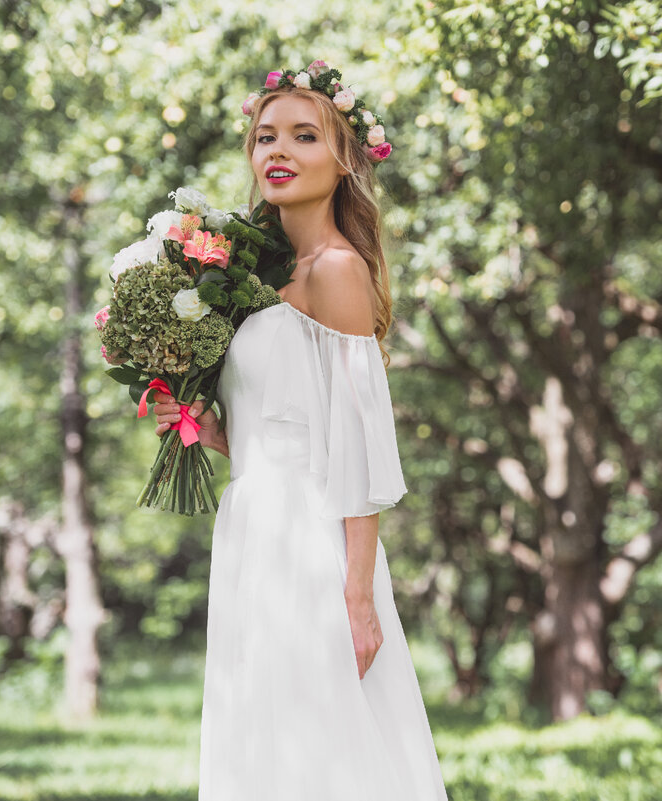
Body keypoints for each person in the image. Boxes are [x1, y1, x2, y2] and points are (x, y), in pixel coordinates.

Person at [148, 62, 449, 800]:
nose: (277, 151)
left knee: (326, 753)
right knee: (265, 748)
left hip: (313, 543)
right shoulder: (253, 280)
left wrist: (356, 596)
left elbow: (362, 447)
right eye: (264, 137)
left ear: (344, 157)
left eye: (304, 136)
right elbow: (277, 424)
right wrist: (205, 426)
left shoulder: (337, 269)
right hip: (251, 527)